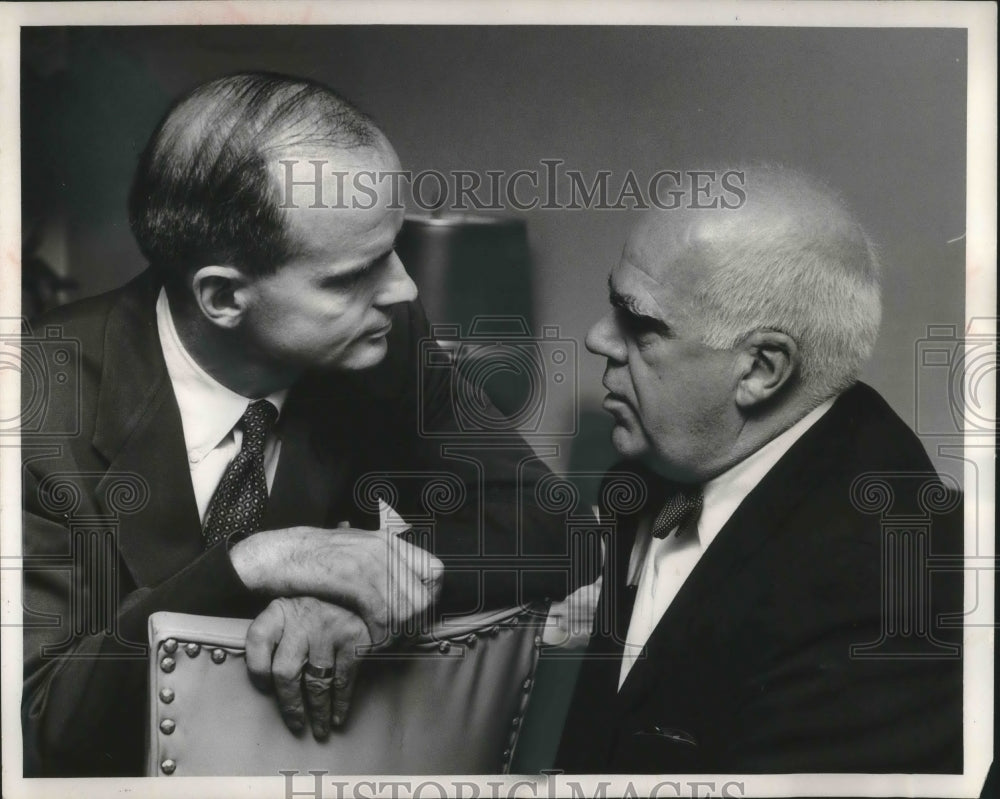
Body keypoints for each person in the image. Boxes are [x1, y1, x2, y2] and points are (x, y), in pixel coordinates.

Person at [21, 72, 569, 777]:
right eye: (352, 276)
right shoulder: (33, 403)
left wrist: (354, 592)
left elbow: (549, 527)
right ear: (222, 295)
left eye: (393, 248)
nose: (403, 289)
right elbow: (36, 726)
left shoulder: (382, 343)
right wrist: (259, 562)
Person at [555, 166, 963, 773]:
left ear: (761, 369)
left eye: (638, 324)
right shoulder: (659, 464)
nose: (595, 338)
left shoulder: (893, 598)